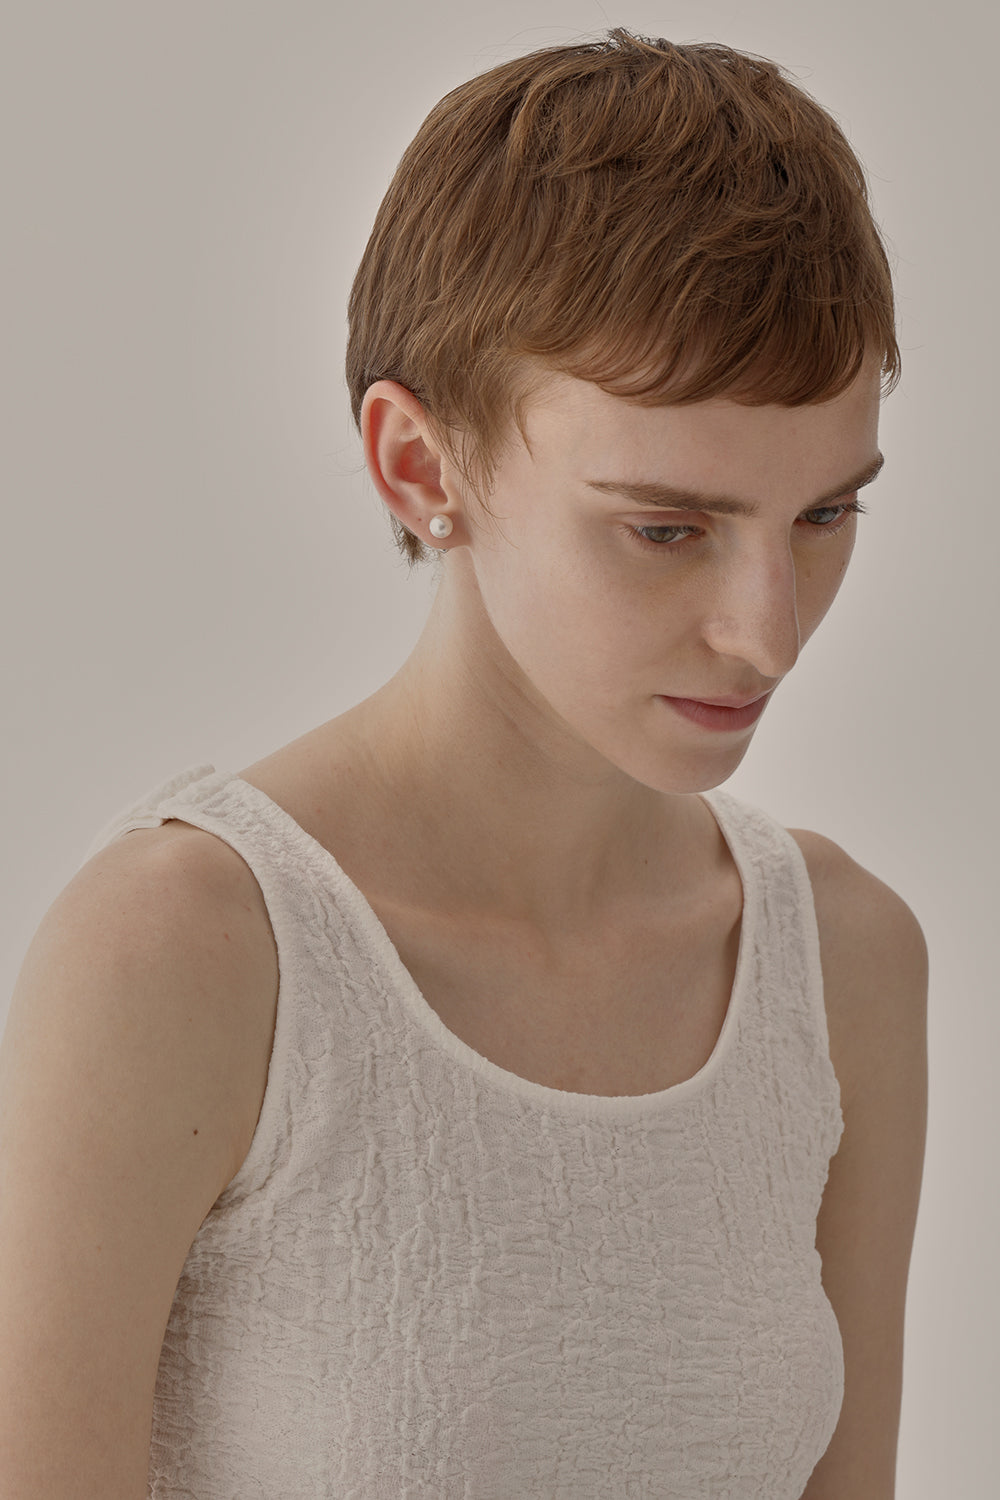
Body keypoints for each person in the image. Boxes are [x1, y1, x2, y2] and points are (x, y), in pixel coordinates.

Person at [0, 28, 927, 1500]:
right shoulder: (184, 955)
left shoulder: (843, 962)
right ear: (421, 467)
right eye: (667, 528)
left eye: (825, 516)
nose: (768, 632)